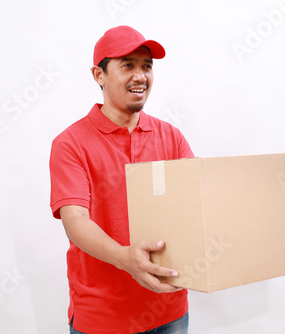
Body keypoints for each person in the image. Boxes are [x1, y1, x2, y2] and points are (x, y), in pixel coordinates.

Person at [49, 25, 194, 334]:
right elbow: (76, 222)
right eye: (128, 65)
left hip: (169, 310)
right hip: (102, 317)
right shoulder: (70, 144)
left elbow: (195, 206)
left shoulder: (172, 137)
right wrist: (125, 257)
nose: (140, 75)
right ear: (99, 75)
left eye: (146, 66)